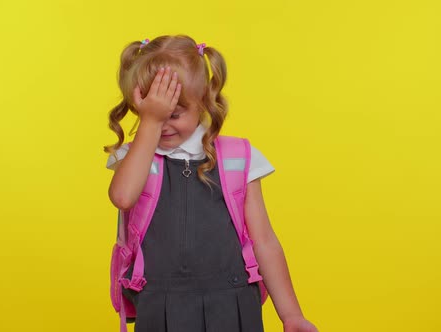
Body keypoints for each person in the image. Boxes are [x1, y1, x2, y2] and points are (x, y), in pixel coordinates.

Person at [104, 34, 317, 332]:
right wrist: (149, 124)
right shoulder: (136, 158)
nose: (162, 125)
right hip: (160, 306)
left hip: (233, 303)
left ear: (203, 100)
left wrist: (291, 314)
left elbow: (264, 241)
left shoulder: (238, 157)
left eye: (174, 114)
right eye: (150, 113)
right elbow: (123, 197)